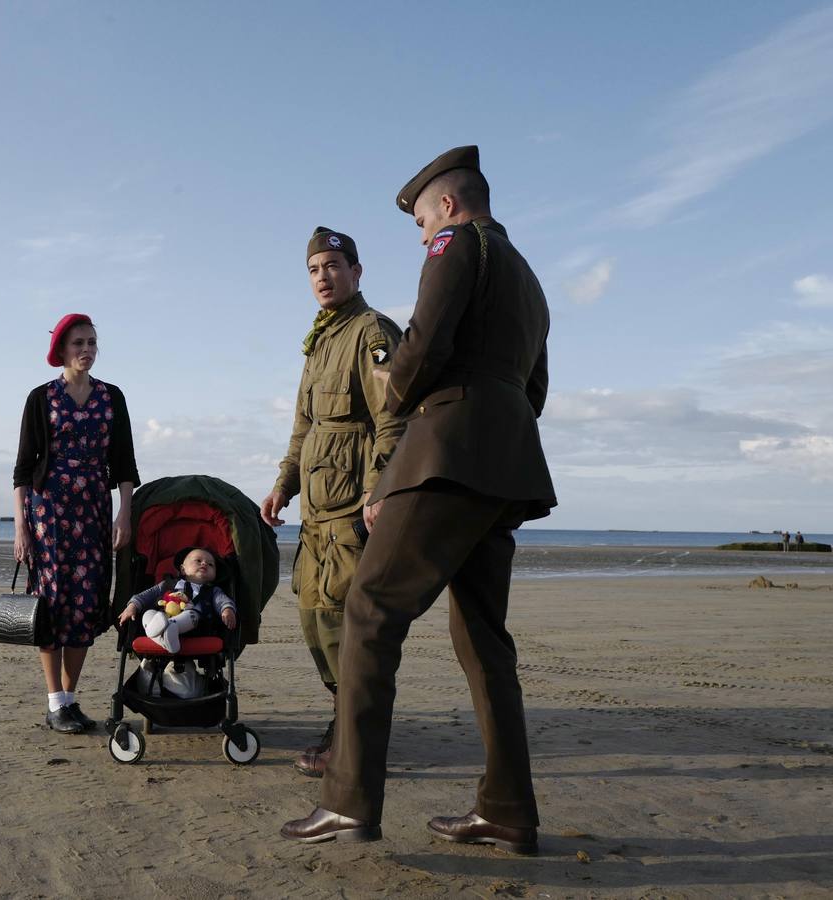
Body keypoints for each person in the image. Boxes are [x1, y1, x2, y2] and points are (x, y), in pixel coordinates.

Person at [281, 146, 557, 853]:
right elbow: (535, 392)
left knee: (371, 610)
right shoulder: (529, 277)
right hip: (507, 468)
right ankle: (507, 811)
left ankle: (347, 802)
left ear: (447, 206)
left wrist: (401, 400)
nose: (421, 232)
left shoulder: (454, 245)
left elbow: (424, 343)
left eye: (421, 217)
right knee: (484, 643)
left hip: (445, 457)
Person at [260, 227, 406, 778]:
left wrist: (380, 487)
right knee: (313, 620)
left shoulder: (372, 332)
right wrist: (282, 486)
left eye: (333, 266)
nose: (323, 277)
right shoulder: (321, 339)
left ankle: (356, 738)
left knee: (348, 625)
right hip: (315, 512)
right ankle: (345, 722)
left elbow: (393, 416)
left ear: (357, 271)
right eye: (314, 269)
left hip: (353, 511)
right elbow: (306, 428)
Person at [13, 313, 139, 735]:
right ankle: (54, 701)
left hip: (93, 512)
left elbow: (124, 462)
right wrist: (21, 527)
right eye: (77, 344)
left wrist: (125, 511)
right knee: (51, 604)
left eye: (91, 342)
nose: (86, 350)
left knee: (86, 604)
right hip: (48, 513)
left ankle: (68, 700)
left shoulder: (111, 397)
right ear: (62, 350)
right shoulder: (41, 397)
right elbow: (22, 469)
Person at [118, 546, 239, 652]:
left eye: (210, 564)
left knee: (191, 614)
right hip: (162, 616)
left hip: (195, 626)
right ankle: (162, 634)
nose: (204, 564)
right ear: (182, 569)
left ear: (214, 575)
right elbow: (146, 595)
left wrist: (227, 609)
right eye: (198, 561)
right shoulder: (168, 584)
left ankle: (167, 629)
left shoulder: (213, 590)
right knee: (149, 613)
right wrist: (132, 606)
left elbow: (222, 601)